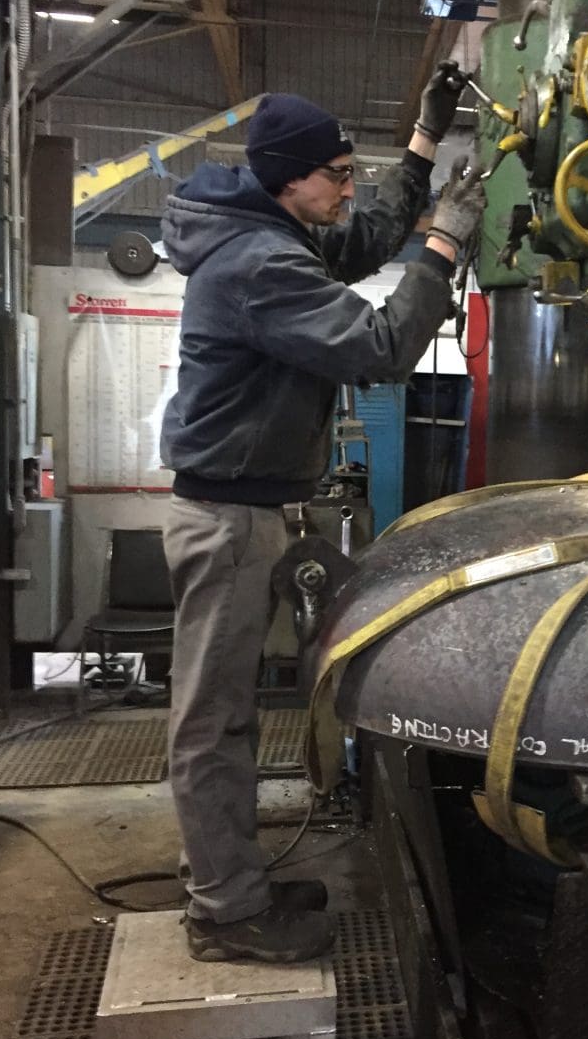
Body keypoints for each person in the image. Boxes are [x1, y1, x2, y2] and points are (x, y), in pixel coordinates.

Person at [159, 69, 485, 964]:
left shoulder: (273, 230)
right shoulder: (260, 264)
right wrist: (443, 246)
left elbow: (368, 234)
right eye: (337, 175)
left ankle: (232, 881)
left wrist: (423, 145)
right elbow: (381, 347)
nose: (347, 189)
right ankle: (226, 912)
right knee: (215, 721)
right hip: (228, 521)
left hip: (244, 509)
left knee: (224, 715)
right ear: (288, 178)